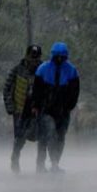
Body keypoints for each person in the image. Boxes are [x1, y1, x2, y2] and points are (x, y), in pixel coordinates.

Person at [31, 42, 80, 173]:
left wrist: (70, 106)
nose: (59, 59)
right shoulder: (43, 69)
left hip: (63, 111)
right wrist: (36, 105)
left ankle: (54, 163)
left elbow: (75, 92)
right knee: (49, 134)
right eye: (57, 56)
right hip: (45, 110)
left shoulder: (71, 71)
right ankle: (43, 163)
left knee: (61, 136)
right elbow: (36, 90)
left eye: (62, 57)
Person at [3, 44, 42, 174]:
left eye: (36, 59)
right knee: (20, 137)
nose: (34, 62)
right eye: (32, 58)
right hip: (20, 109)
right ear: (26, 56)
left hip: (38, 109)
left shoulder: (43, 70)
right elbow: (7, 88)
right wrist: (11, 107)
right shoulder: (16, 70)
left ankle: (40, 164)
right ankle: (15, 158)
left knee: (42, 137)